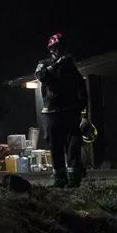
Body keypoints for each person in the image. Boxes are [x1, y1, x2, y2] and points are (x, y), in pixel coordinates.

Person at [34, 33, 91, 188]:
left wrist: (84, 116)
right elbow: (41, 75)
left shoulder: (71, 68)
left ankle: (74, 181)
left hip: (70, 114)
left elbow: (82, 92)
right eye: (56, 47)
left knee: (73, 148)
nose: (58, 50)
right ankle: (60, 180)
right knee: (55, 147)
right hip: (51, 114)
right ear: (51, 49)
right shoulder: (44, 64)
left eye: (61, 48)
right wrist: (57, 64)